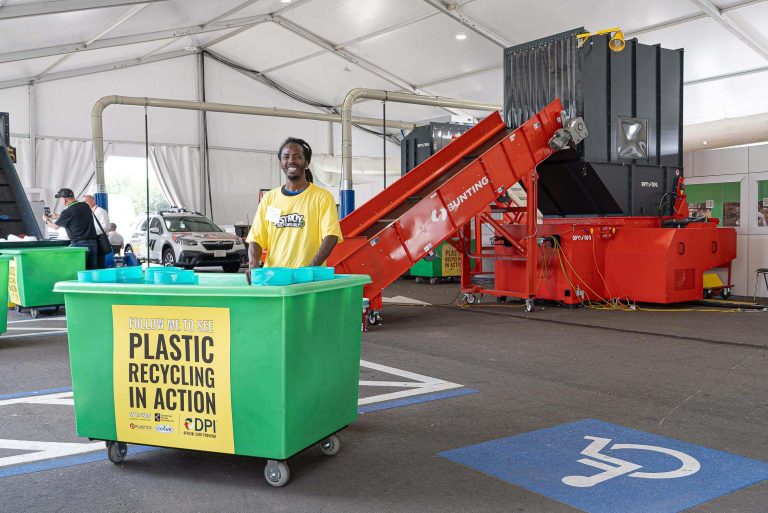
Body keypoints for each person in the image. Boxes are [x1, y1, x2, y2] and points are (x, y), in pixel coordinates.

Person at [246, 137, 342, 278]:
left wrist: (309, 270)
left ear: (306, 162)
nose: (291, 161)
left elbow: (331, 236)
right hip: (274, 278)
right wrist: (253, 266)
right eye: (286, 157)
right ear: (281, 163)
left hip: (309, 279)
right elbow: (256, 238)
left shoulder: (322, 197)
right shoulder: (269, 199)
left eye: (297, 157)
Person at [42, 188, 98, 270]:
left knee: (79, 270)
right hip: (93, 243)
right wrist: (58, 216)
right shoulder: (85, 206)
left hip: (80, 245)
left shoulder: (68, 212)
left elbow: (55, 226)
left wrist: (46, 220)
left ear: (64, 199)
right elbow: (77, 216)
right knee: (91, 271)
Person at [83, 194, 110, 268]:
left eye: (86, 202)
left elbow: (107, 226)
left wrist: (92, 231)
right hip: (90, 240)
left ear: (92, 201)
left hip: (99, 239)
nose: (84, 204)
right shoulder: (87, 212)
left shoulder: (101, 211)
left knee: (99, 262)